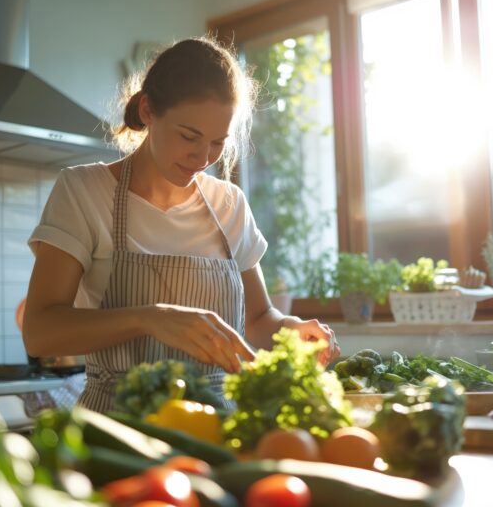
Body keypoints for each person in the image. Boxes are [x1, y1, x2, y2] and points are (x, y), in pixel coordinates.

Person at [23, 36, 340, 413]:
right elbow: (39, 332)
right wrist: (152, 317)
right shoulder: (84, 192)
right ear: (147, 110)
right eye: (188, 136)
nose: (202, 157)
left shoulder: (229, 204)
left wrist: (290, 329)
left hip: (213, 427)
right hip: (120, 431)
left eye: (217, 142)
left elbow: (256, 319)